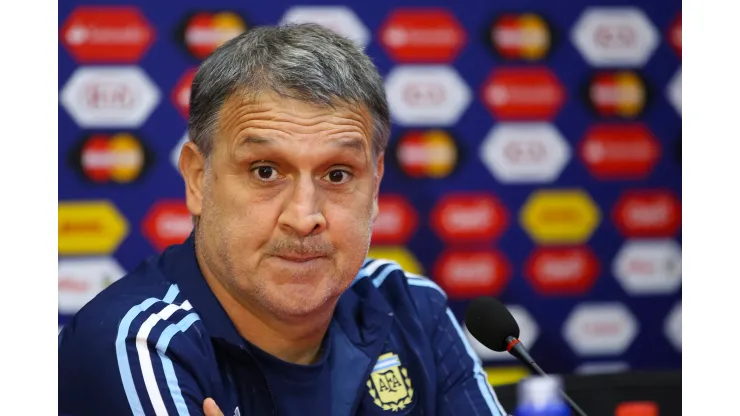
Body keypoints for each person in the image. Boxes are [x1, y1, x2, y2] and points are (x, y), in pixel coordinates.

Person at [58, 23, 509, 416]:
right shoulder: (138, 343)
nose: (304, 216)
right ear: (198, 180)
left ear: (374, 187)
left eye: (337, 174)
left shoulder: (410, 308)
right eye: (265, 172)